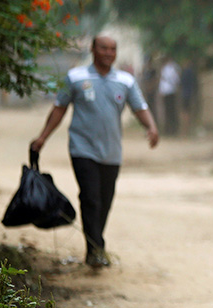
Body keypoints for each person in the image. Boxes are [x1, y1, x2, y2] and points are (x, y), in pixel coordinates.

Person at [31, 36, 159, 268]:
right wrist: (43, 137)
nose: (108, 53)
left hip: (112, 153)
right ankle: (97, 248)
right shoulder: (75, 77)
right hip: (82, 149)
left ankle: (94, 246)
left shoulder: (125, 81)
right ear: (92, 49)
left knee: (105, 201)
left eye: (113, 49)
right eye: (103, 48)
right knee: (90, 197)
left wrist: (151, 127)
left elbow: (140, 107)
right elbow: (59, 108)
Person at [158, 57, 182, 136]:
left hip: (170, 92)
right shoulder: (166, 68)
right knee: (168, 112)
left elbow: (175, 80)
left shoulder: (171, 68)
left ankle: (172, 129)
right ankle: (169, 130)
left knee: (170, 112)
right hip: (168, 92)